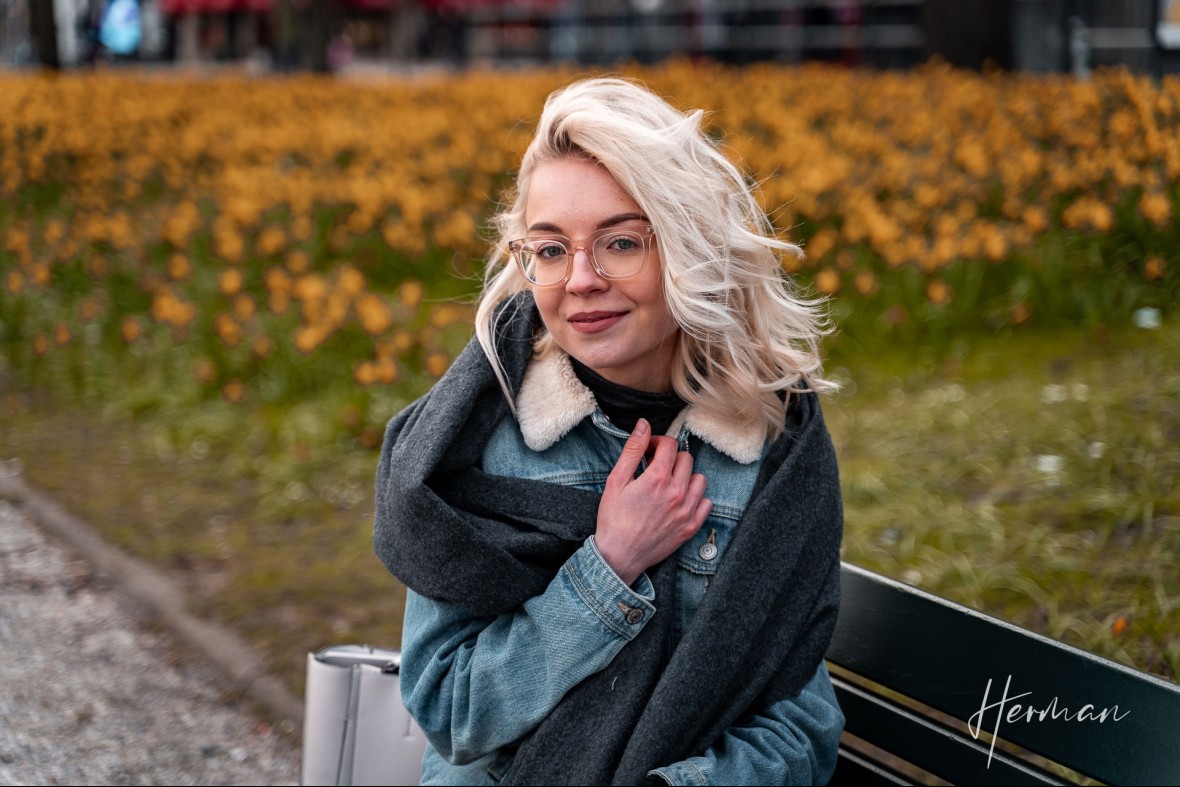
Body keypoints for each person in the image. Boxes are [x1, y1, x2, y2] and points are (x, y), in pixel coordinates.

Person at [374, 76, 845, 786]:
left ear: (687, 245)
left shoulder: (771, 447)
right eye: (552, 250)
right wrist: (609, 566)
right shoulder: (483, 441)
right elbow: (451, 709)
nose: (582, 279)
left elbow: (799, 722)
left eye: (620, 242)